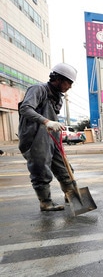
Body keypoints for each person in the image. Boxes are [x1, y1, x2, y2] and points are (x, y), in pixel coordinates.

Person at [17, 63, 78, 211]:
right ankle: (46, 202)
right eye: (68, 82)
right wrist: (46, 121)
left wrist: (54, 124)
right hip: (35, 137)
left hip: (51, 137)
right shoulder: (38, 89)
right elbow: (25, 108)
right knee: (41, 170)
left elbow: (52, 115)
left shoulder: (58, 97)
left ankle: (72, 196)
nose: (69, 86)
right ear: (57, 78)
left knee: (65, 168)